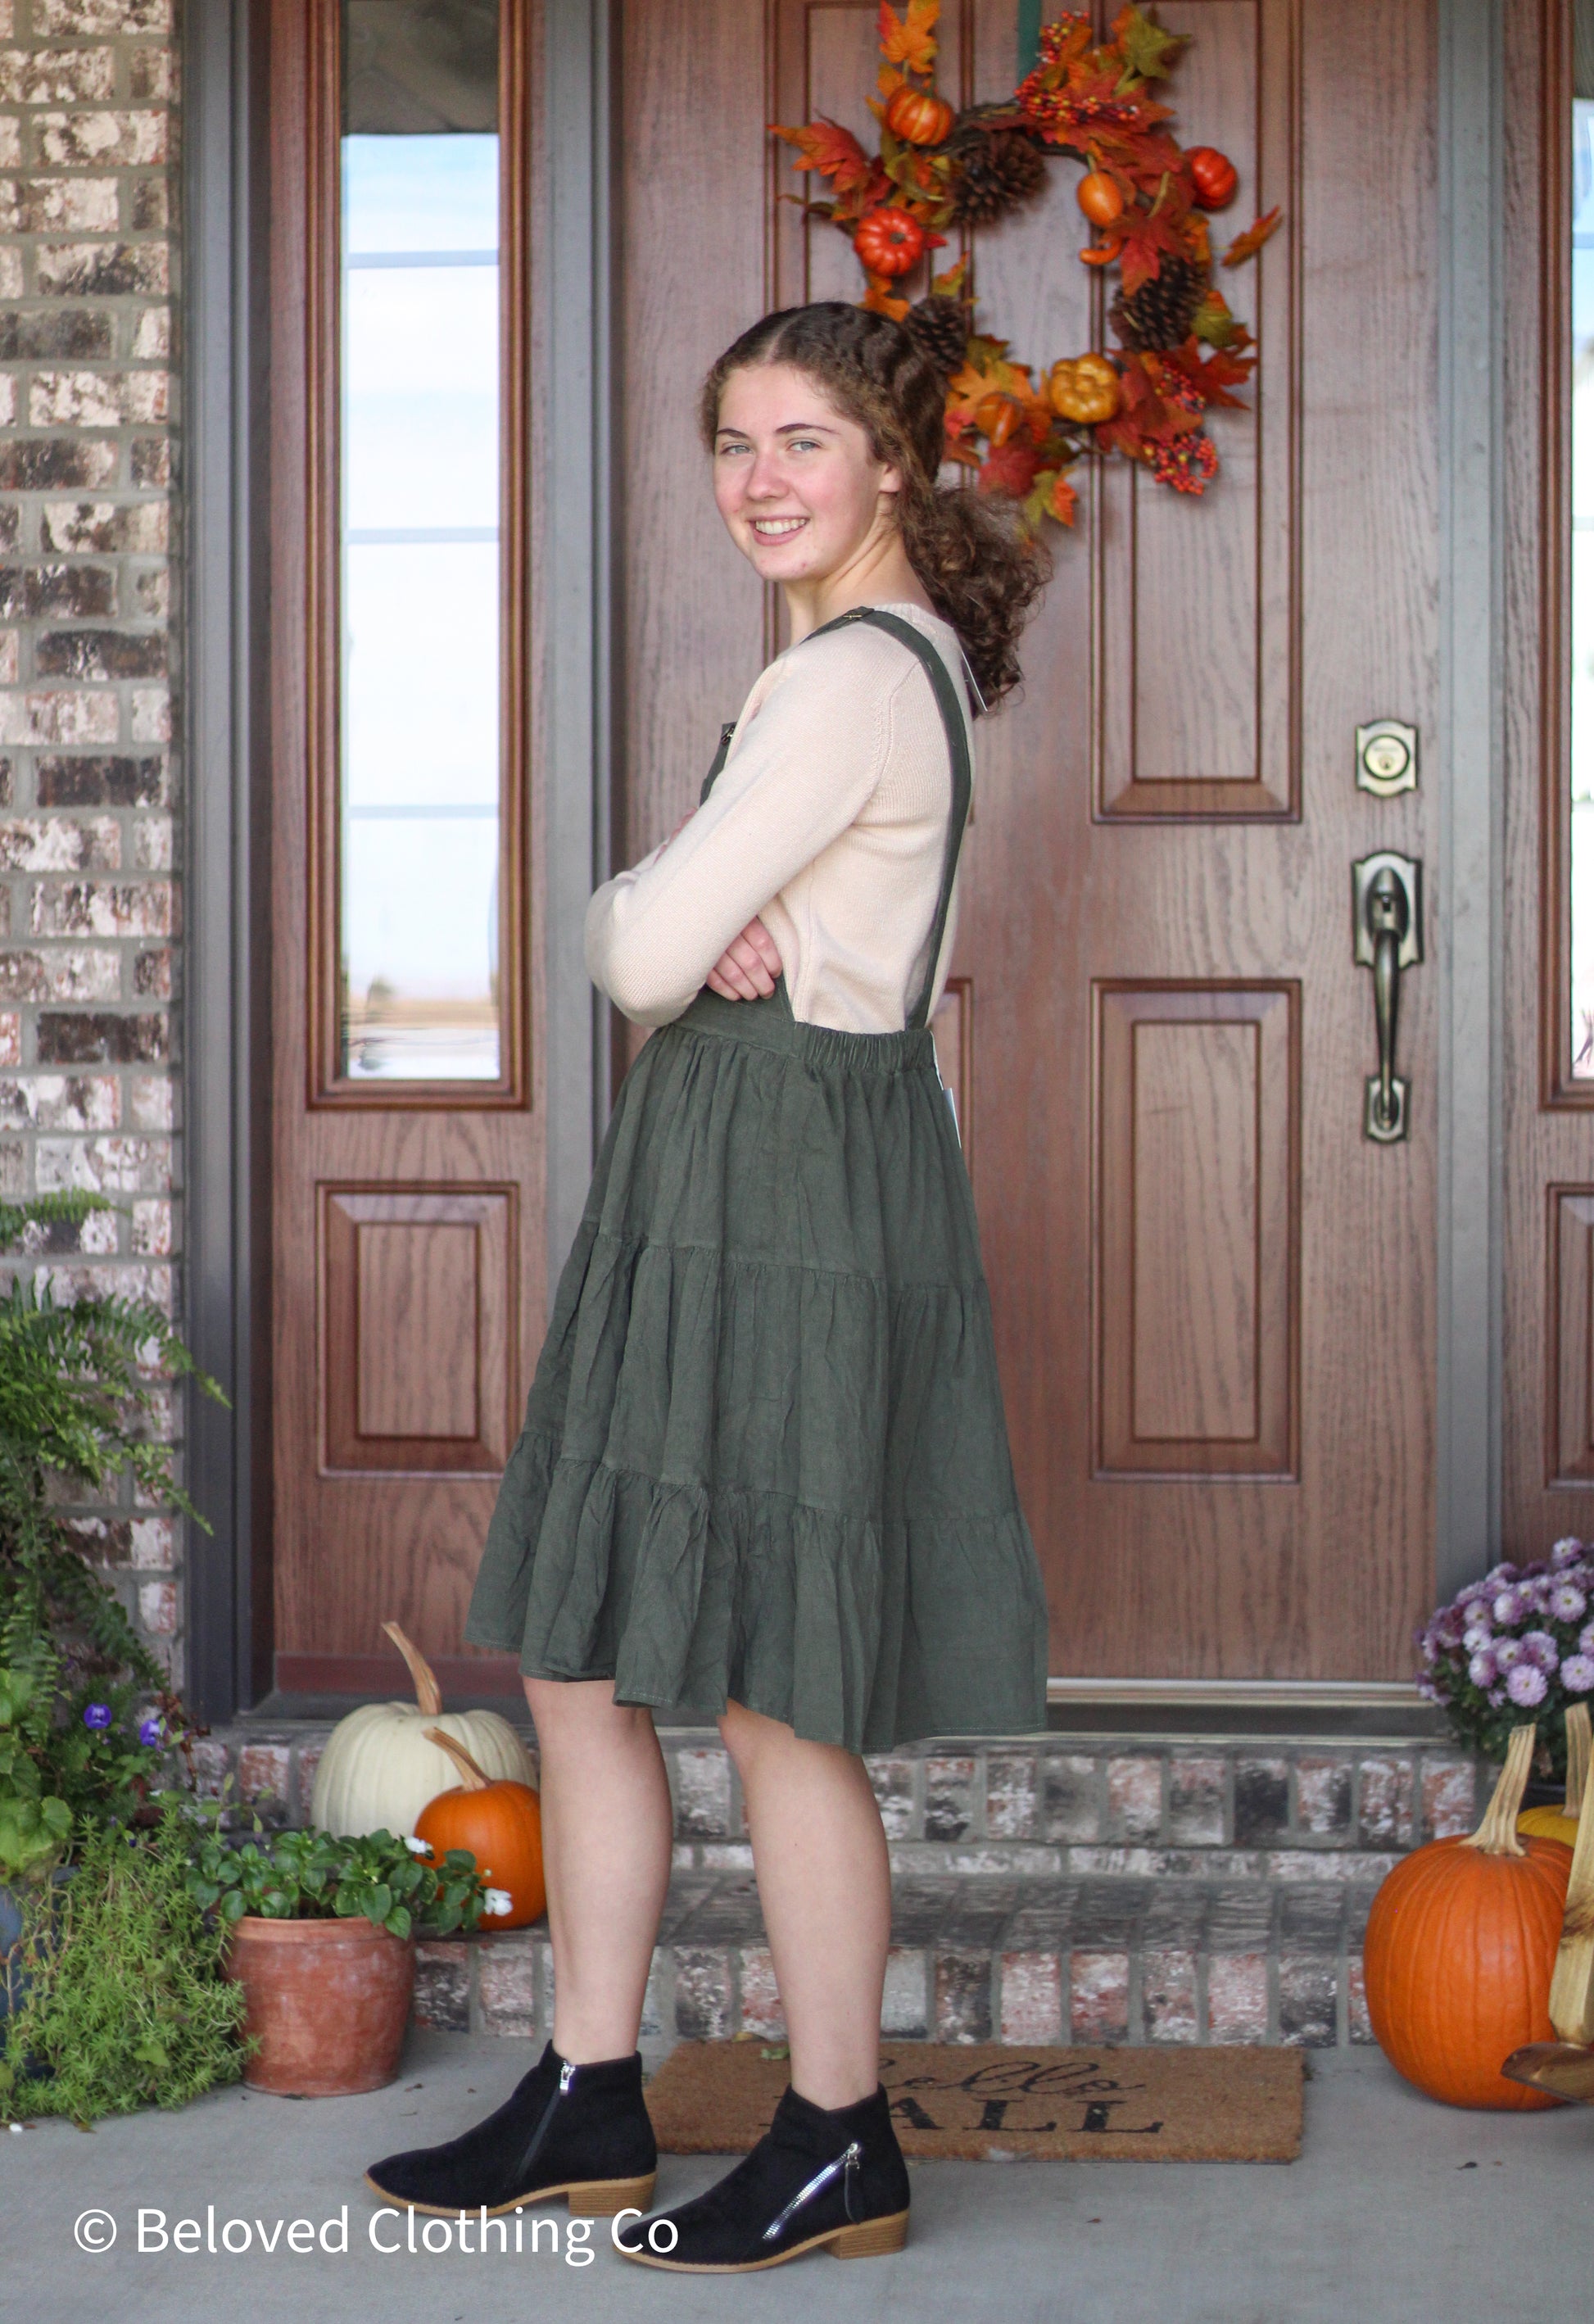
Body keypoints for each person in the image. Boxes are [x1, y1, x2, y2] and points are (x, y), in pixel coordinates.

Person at [365, 300, 1053, 2271]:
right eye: (734, 443)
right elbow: (686, 938)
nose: (760, 480)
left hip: (782, 1178)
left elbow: (639, 952)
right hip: (746, 1164)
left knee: (774, 1694)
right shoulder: (869, 666)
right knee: (583, 1659)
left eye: (803, 442)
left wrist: (658, 905)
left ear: (891, 462)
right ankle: (590, 2095)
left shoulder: (846, 678)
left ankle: (838, 2136)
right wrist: (691, 912)